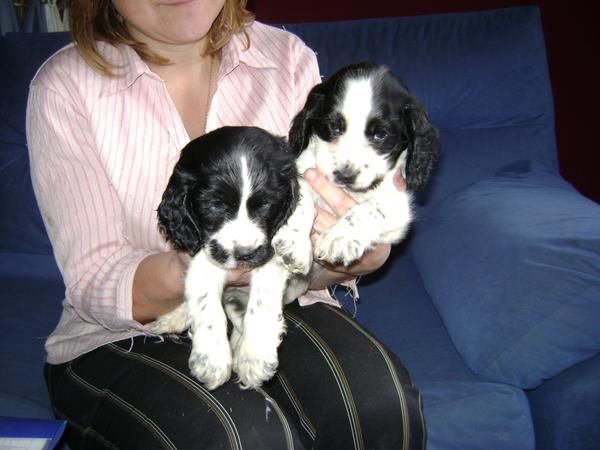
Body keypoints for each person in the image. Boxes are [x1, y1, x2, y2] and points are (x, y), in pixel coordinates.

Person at [26, 0, 425, 448]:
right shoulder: (65, 88)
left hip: (275, 301)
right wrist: (202, 269)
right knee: (240, 436)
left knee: (378, 407)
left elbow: (316, 236)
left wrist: (352, 253)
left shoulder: (288, 59)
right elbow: (92, 281)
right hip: (120, 333)